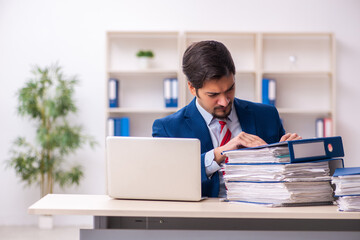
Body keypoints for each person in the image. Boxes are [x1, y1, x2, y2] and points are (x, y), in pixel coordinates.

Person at [152, 40, 301, 198]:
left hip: (261, 214)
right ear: (192, 88)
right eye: (213, 95)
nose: (224, 101)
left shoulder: (266, 115)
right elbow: (167, 180)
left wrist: (294, 153)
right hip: (202, 219)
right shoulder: (168, 128)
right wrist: (217, 155)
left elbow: (286, 176)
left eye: (230, 89)